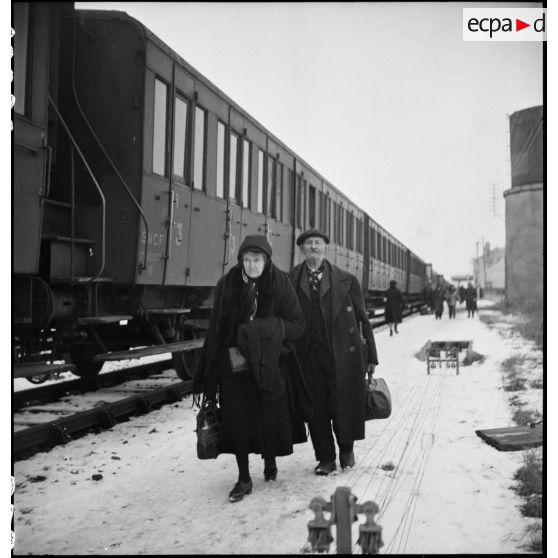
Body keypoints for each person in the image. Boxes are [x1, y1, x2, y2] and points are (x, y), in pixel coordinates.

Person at [193, 235, 311, 503]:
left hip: (270, 364)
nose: (252, 265)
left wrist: (261, 331)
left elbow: (298, 325)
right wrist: (209, 370)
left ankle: (270, 460)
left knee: (269, 416)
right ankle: (243, 478)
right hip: (235, 365)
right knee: (238, 420)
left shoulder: (280, 283)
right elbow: (217, 328)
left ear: (266, 260)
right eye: (247, 260)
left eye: (257, 260)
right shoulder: (228, 284)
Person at [289, 229, 379, 476]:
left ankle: (346, 449)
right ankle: (325, 458)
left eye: (317, 243)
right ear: (302, 249)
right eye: (308, 243)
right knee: (315, 409)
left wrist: (371, 356)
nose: (313, 247)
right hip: (308, 357)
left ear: (325, 248)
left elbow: (363, 318)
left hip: (342, 356)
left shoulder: (347, 280)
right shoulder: (291, 279)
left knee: (343, 405)